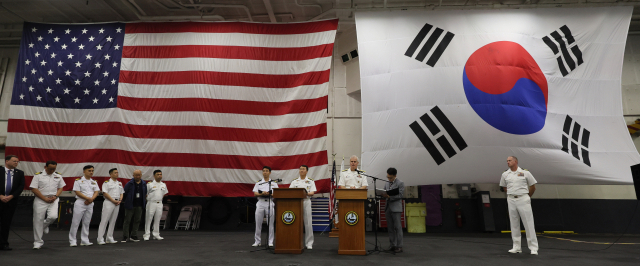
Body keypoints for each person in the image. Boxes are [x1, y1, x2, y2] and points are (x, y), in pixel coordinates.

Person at [500, 156, 538, 255]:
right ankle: (516, 247)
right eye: (507, 161)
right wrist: (512, 194)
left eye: (510, 160)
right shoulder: (505, 174)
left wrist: (527, 197)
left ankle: (533, 247)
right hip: (511, 199)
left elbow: (533, 186)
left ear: (515, 161)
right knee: (514, 223)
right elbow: (504, 186)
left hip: (523, 198)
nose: (508, 162)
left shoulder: (525, 173)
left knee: (528, 224)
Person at [30, 161, 65, 249]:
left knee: (53, 217)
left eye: (54, 169)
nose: (52, 170)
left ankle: (44, 225)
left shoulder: (58, 175)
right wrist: (44, 198)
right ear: (45, 167)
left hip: (53, 199)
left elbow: (61, 187)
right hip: (41, 199)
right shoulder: (38, 175)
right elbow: (33, 188)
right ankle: (38, 242)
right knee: (38, 220)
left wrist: (56, 196)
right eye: (50, 169)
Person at [69, 165, 100, 247]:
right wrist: (87, 198)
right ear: (84, 171)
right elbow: (77, 192)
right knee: (75, 222)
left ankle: (85, 239)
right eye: (89, 170)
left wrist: (91, 199)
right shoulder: (78, 181)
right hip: (80, 202)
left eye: (92, 170)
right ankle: (72, 240)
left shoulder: (94, 181)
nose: (91, 172)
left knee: (86, 222)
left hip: (90, 203)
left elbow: (96, 192)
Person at [289, 165, 316, 250]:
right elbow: (289, 192)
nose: (301, 170)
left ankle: (309, 243)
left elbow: (312, 192)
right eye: (300, 169)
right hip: (296, 203)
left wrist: (305, 194)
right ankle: (296, 241)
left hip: (306, 202)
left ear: (307, 171)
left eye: (303, 169)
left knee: (308, 223)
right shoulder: (294, 181)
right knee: (296, 223)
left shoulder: (310, 181)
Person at [0, 155, 25, 251]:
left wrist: (11, 196)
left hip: (10, 202)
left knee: (6, 224)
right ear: (7, 161)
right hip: (0, 198)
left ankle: (3, 244)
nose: (16, 163)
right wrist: (0, 196)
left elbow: (21, 186)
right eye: (14, 161)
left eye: (17, 161)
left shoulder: (20, 173)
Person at [252, 166, 278, 247]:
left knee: (270, 223)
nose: (265, 172)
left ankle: (270, 241)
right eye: (264, 171)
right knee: (258, 223)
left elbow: (277, 194)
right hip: (260, 202)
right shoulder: (258, 182)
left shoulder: (274, 183)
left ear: (270, 172)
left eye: (267, 171)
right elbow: (255, 193)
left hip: (269, 202)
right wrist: (262, 193)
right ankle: (257, 241)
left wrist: (269, 193)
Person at [97, 168, 124, 245]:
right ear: (111, 174)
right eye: (115, 173)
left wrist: (120, 200)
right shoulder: (107, 183)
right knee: (104, 220)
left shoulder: (119, 183)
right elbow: (105, 193)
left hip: (117, 202)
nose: (117, 174)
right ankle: (100, 238)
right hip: (109, 202)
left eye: (117, 172)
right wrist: (113, 200)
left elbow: (122, 192)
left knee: (113, 221)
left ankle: (109, 237)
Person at [383, 167, 405, 253]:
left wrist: (390, 196)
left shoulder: (400, 183)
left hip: (396, 208)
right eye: (388, 177)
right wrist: (382, 194)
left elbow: (400, 195)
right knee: (390, 228)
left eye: (390, 177)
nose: (389, 179)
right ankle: (392, 245)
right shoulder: (387, 182)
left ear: (395, 176)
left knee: (398, 227)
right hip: (388, 207)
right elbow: (385, 191)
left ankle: (399, 246)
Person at [122, 169, 146, 242]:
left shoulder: (144, 184)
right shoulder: (129, 184)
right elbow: (124, 193)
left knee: (137, 220)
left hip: (139, 205)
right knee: (127, 220)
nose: (138, 176)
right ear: (133, 175)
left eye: (139, 175)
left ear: (141, 175)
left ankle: (134, 235)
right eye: (136, 175)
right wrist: (128, 201)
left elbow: (145, 193)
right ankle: (125, 236)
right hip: (130, 205)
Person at [144, 170, 168, 241]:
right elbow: (145, 194)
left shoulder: (163, 184)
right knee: (149, 219)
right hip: (151, 203)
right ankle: (147, 234)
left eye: (160, 174)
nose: (159, 176)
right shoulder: (149, 184)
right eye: (158, 174)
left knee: (158, 219)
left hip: (159, 203)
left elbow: (163, 194)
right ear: (154, 176)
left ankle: (156, 234)